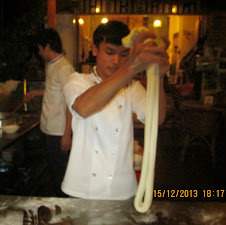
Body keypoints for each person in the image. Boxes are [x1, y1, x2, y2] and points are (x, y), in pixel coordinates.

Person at [62, 20, 169, 200]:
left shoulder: (131, 87)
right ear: (94, 49)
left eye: (124, 54)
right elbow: (83, 108)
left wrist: (157, 77)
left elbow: (156, 119)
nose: (116, 61)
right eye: (109, 52)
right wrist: (131, 67)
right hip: (81, 188)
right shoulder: (78, 80)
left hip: (121, 188)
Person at [23, 28, 75, 197]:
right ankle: (59, 203)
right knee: (54, 170)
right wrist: (35, 93)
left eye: (39, 48)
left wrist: (67, 134)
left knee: (62, 173)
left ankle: (67, 209)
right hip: (48, 128)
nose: (39, 53)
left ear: (47, 47)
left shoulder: (65, 68)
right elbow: (54, 90)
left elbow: (71, 102)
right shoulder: (51, 65)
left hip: (59, 132)